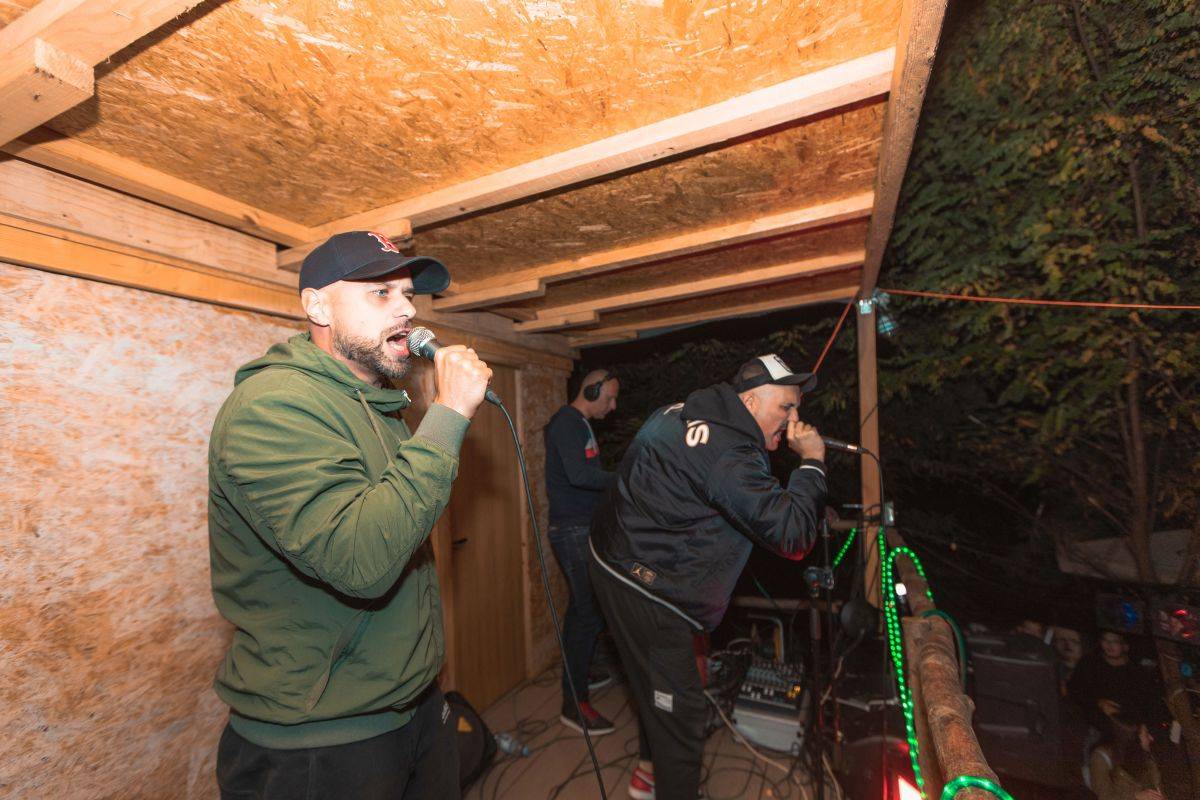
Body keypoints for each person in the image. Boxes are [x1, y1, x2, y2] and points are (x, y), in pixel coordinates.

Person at [208, 230, 493, 800]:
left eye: (407, 294)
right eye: (380, 293)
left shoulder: (381, 407)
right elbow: (361, 560)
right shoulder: (273, 407)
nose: (407, 309)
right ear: (317, 306)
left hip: (412, 709)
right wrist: (448, 415)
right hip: (322, 741)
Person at [590, 354, 828, 800]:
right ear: (750, 402)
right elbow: (793, 535)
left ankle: (647, 773)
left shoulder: (680, 410)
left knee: (654, 686)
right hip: (649, 593)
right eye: (786, 407)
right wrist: (812, 463)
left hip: (615, 562)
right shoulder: (728, 452)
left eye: (797, 408)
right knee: (682, 712)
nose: (795, 419)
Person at [544, 368, 621, 735]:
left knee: (583, 609)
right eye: (610, 397)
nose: (613, 406)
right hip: (572, 531)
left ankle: (582, 670)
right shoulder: (566, 423)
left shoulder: (579, 424)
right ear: (592, 391)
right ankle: (573, 703)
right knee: (588, 613)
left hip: (581, 529)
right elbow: (579, 476)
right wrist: (625, 477)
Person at [1068, 631, 1164, 728]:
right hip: (1094, 724)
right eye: (1105, 640)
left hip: (1129, 727)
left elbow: (1150, 704)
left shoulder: (1138, 672)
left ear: (1125, 646)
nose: (1109, 645)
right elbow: (1075, 690)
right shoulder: (1090, 663)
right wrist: (1099, 703)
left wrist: (1143, 725)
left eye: (1115, 641)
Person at [1088, 714, 1165, 800]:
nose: (1151, 738)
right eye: (1146, 734)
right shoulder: (1101, 758)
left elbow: (1155, 784)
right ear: (1133, 738)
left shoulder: (1142, 755)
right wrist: (1136, 796)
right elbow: (1103, 796)